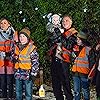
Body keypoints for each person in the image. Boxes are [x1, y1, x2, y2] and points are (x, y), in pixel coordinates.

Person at [46, 14, 76, 100]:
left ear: (71, 22)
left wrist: (59, 36)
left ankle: (69, 98)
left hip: (64, 61)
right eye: (63, 21)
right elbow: (49, 42)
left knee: (65, 83)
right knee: (55, 83)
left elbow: (69, 45)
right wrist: (53, 38)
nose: (64, 22)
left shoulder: (73, 33)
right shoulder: (58, 31)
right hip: (54, 60)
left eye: (66, 20)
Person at [14, 27, 39, 100]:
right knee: (18, 92)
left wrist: (33, 74)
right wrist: (13, 58)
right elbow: (14, 57)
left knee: (28, 93)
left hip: (27, 74)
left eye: (23, 36)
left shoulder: (31, 48)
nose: (21, 38)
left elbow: (35, 62)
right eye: (20, 36)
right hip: (18, 73)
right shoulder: (16, 47)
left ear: (27, 38)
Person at [71, 30, 95, 100]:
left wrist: (90, 75)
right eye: (77, 39)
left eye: (79, 39)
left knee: (85, 91)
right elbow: (73, 60)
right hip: (75, 73)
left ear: (83, 40)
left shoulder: (89, 49)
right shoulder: (75, 48)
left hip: (84, 74)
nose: (77, 41)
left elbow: (92, 63)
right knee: (76, 91)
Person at [0, 18, 15, 99]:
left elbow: (16, 46)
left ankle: (10, 95)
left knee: (10, 80)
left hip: (10, 60)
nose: (2, 25)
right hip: (1, 60)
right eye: (1, 23)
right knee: (2, 80)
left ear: (9, 24)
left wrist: (11, 53)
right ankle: (3, 95)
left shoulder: (13, 34)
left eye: (5, 23)